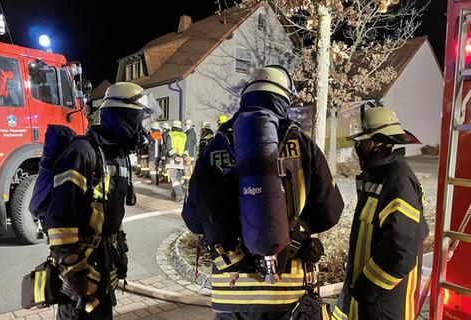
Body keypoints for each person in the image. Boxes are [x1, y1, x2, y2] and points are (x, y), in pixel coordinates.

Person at [182, 65, 344, 320]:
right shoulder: (300, 142)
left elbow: (193, 219)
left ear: (245, 97)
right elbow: (330, 212)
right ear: (283, 100)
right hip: (285, 290)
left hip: (230, 292)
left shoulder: (214, 146)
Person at [45, 82, 160, 320]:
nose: (143, 129)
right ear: (124, 117)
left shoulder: (117, 156)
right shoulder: (83, 152)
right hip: (81, 280)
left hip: (102, 274)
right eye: (140, 120)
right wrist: (74, 272)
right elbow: (58, 220)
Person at [332, 103, 429, 320]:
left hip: (385, 304)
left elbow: (400, 251)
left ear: (376, 143)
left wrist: (367, 287)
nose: (358, 149)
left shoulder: (398, 181)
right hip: (370, 301)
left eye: (362, 143)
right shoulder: (378, 176)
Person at [164, 119, 188, 202]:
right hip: (181, 160)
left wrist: (174, 156)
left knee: (174, 179)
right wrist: (183, 156)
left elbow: (168, 147)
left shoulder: (170, 135)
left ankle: (180, 195)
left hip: (172, 160)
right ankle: (174, 194)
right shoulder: (184, 135)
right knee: (179, 179)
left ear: (173, 127)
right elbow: (187, 148)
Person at [184, 118, 197, 188]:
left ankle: (189, 184)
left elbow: (188, 143)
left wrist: (186, 153)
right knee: (187, 169)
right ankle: (188, 183)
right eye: (186, 124)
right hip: (189, 154)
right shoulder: (188, 132)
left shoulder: (191, 133)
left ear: (191, 125)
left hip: (189, 154)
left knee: (188, 170)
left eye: (188, 124)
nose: (187, 126)